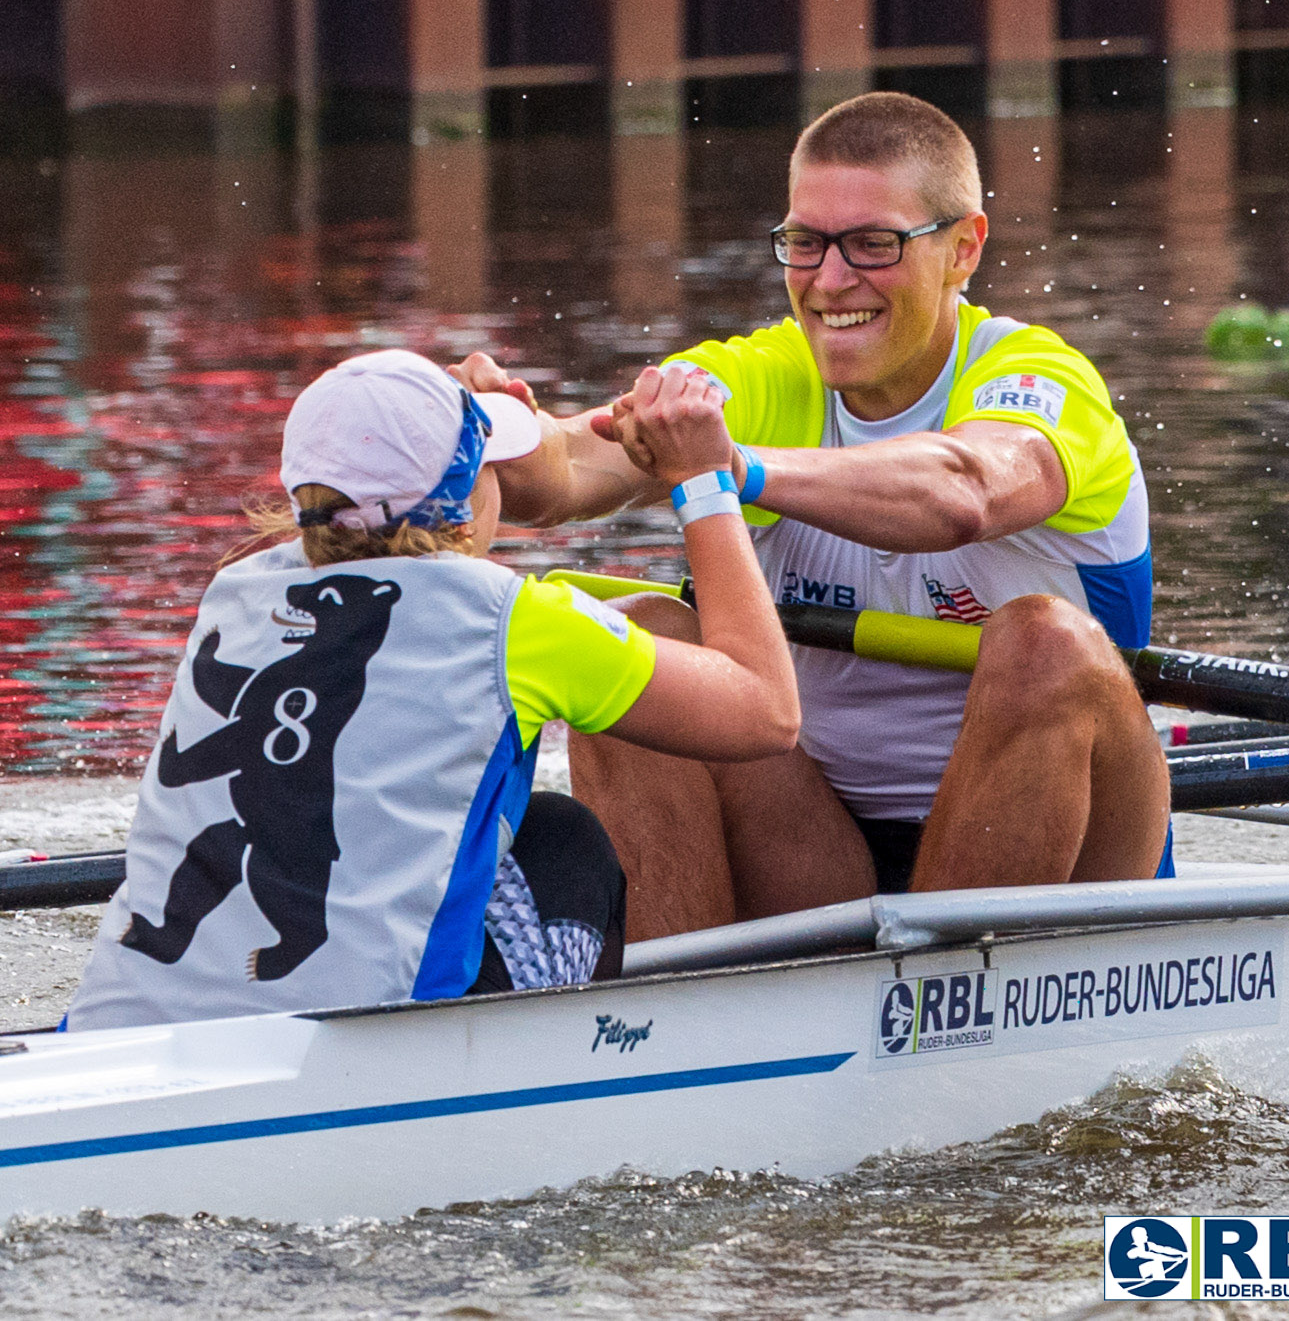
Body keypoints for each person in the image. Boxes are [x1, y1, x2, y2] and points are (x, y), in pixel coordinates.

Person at [452, 92, 1171, 941]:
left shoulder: (1036, 376)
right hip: (811, 847)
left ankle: (934, 1017)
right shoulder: (766, 375)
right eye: (805, 244)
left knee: (1044, 641)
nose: (831, 282)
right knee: (637, 629)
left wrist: (731, 469)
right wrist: (483, 436)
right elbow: (565, 472)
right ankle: (666, 1033)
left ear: (962, 249)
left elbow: (960, 492)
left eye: (874, 245)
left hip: (1066, 844)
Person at [66, 348, 797, 1029]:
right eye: (488, 466)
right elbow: (766, 712)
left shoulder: (239, 590)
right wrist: (704, 482)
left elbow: (393, 537)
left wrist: (421, 419)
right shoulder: (518, 622)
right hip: (379, 1051)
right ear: (466, 497)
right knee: (562, 840)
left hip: (113, 1030)